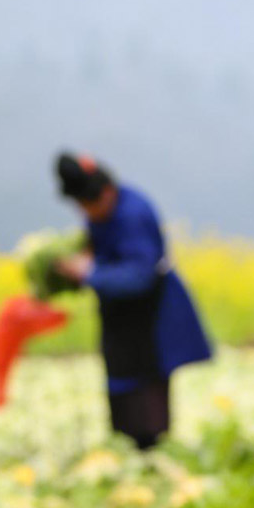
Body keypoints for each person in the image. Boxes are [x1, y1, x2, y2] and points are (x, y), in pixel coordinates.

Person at [52, 154, 212, 448]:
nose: (85, 213)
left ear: (108, 193)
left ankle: (150, 453)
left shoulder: (133, 213)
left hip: (148, 316)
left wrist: (88, 271)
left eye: (88, 205)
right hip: (119, 321)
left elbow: (139, 276)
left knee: (145, 398)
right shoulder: (102, 214)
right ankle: (128, 450)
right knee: (121, 394)